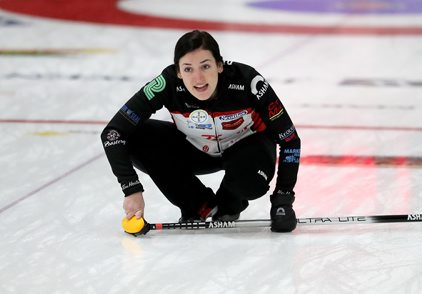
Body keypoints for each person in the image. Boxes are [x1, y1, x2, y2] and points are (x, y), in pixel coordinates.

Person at [100, 30, 301, 232]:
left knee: (250, 183)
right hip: (195, 149)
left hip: (248, 148)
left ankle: (229, 202)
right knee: (134, 138)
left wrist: (283, 200)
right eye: (188, 69)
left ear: (219, 66)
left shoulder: (248, 82)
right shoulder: (166, 84)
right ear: (178, 71)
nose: (198, 78)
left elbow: (290, 140)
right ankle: (198, 204)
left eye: (205, 66)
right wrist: (131, 188)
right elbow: (113, 133)